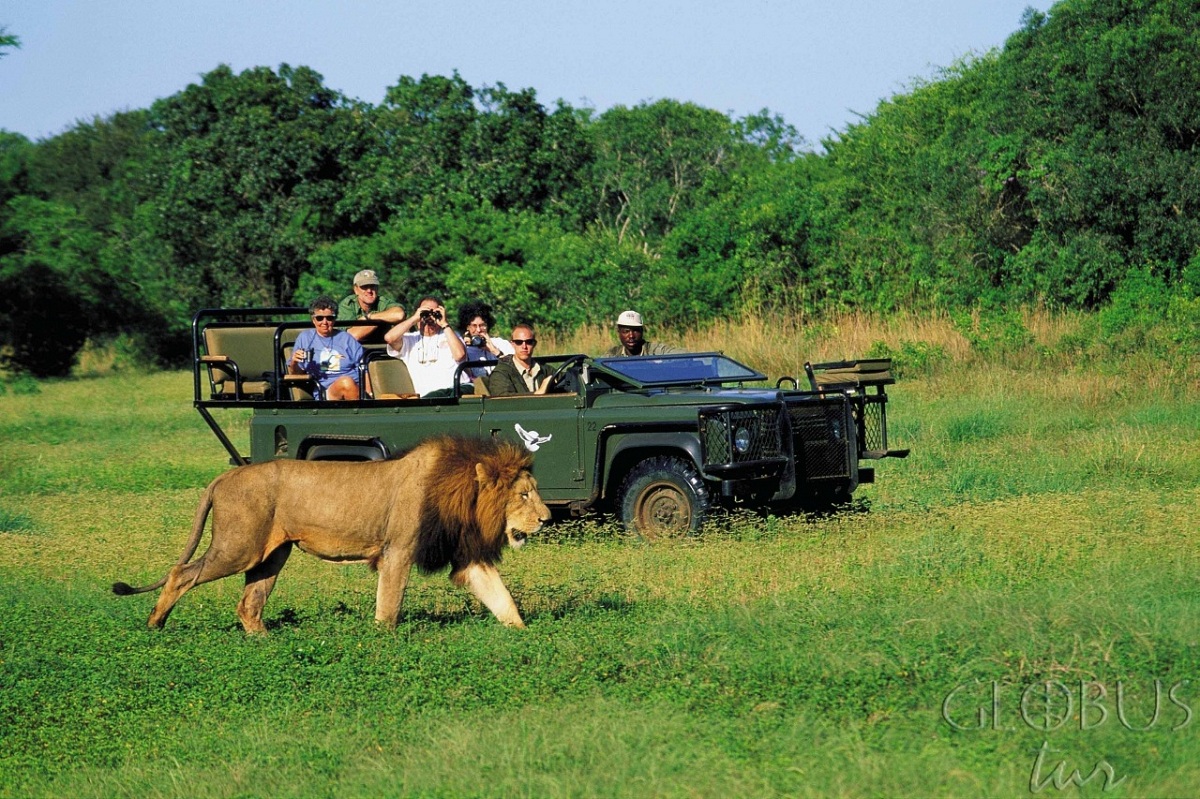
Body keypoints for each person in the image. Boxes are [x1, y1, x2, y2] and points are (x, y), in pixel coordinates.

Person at [383, 296, 467, 397]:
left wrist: (444, 323)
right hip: (432, 398)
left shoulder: (450, 335)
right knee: (436, 396)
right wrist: (415, 318)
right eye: (426, 313)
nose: (429, 318)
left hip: (459, 388)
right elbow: (389, 338)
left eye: (434, 313)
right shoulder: (410, 340)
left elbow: (460, 355)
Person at [288, 296, 364, 400]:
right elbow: (295, 375)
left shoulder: (346, 338)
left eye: (329, 318)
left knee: (390, 397)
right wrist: (294, 362)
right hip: (327, 390)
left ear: (334, 319)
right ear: (313, 320)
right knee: (346, 382)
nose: (324, 322)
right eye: (319, 318)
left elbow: (364, 368)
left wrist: (369, 392)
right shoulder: (305, 338)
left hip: (357, 387)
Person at [337, 269, 406, 342]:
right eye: (364, 286)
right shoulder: (348, 305)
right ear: (356, 289)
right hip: (356, 350)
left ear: (377, 288)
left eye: (372, 286)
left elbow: (399, 315)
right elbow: (353, 335)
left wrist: (370, 317)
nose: (369, 291)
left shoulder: (383, 302)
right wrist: (383, 318)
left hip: (383, 349)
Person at [487, 324, 555, 395]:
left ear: (534, 344)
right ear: (512, 344)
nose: (524, 346)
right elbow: (503, 400)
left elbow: (562, 378)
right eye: (518, 342)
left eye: (529, 342)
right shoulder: (501, 373)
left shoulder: (545, 369)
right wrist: (538, 393)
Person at [456, 299, 515, 379]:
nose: (478, 330)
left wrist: (494, 351)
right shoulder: (463, 349)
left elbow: (516, 368)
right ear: (467, 327)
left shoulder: (501, 343)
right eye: (474, 326)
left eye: (482, 325)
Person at [604, 310, 685, 357]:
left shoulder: (655, 351)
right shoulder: (613, 355)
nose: (631, 336)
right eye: (626, 331)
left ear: (642, 331)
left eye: (635, 330)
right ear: (619, 332)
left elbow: (684, 355)